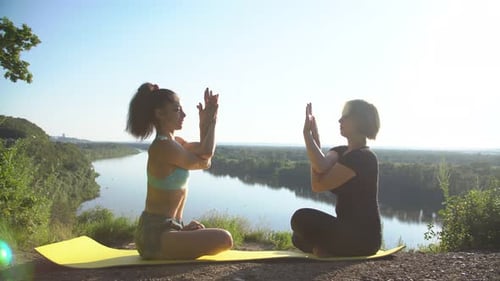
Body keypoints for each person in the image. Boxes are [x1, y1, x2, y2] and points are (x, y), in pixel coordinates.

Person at [126, 83, 233, 259]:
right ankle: (171, 242)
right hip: (155, 234)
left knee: (217, 238)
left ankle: (180, 234)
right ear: (160, 114)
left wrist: (204, 123)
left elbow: (205, 160)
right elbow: (206, 153)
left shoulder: (176, 143)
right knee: (224, 239)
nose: (183, 114)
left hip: (171, 228)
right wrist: (211, 119)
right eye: (177, 110)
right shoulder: (163, 147)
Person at [291, 100, 381, 257]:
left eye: (345, 117)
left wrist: (307, 136)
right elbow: (320, 166)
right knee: (297, 237)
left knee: (299, 218)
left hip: (364, 239)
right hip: (346, 230)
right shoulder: (340, 151)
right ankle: (327, 249)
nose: (340, 121)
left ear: (359, 120)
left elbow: (318, 184)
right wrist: (314, 138)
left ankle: (328, 249)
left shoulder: (363, 158)